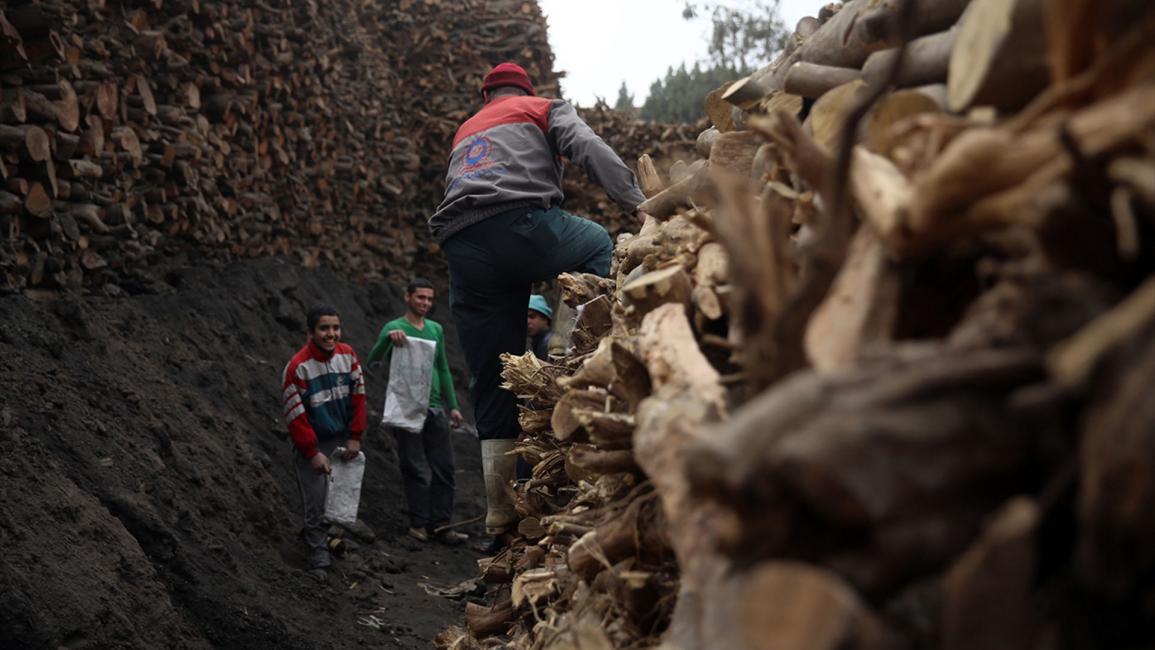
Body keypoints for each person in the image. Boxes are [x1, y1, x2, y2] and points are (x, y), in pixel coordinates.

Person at [429, 62, 646, 537]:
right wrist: (638, 203)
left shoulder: (467, 129)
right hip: (520, 223)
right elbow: (588, 147)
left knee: (494, 373)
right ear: (525, 89)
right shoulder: (541, 108)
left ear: (487, 95)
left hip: (462, 246)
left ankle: (500, 509)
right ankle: (566, 352)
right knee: (593, 244)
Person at [366, 278, 468, 544]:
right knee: (414, 467)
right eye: (420, 297)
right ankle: (419, 523)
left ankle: (442, 524)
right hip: (407, 406)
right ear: (407, 297)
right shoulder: (394, 328)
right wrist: (388, 342)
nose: (425, 303)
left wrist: (454, 405)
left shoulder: (435, 329)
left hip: (435, 407)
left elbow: (442, 368)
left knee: (444, 467)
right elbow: (373, 361)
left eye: (429, 299)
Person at [281, 304, 366, 572]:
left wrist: (354, 436)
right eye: (324, 328)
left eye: (335, 328)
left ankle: (325, 540)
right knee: (316, 500)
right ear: (310, 332)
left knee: (336, 498)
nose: (331, 334)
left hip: (341, 440)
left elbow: (359, 398)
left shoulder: (348, 355)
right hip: (314, 443)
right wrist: (311, 451)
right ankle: (318, 555)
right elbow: (296, 416)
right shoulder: (298, 367)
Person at [527, 294, 553, 361]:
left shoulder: (549, 344)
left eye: (532, 316)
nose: (527, 321)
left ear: (544, 319)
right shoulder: (538, 341)